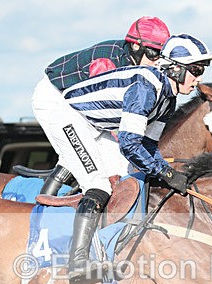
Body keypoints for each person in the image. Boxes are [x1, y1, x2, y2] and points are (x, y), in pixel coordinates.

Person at [38, 34, 212, 283]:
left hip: (96, 125)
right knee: (98, 184)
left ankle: (108, 246)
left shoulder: (169, 99)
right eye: (195, 70)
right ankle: (77, 262)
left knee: (126, 177)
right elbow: (130, 144)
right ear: (175, 68)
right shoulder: (146, 89)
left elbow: (148, 145)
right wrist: (166, 174)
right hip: (68, 118)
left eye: (202, 70)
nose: (199, 78)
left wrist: (168, 171)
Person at [31, 16, 171, 196]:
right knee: (74, 158)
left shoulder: (136, 61)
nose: (158, 61)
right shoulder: (108, 62)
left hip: (76, 103)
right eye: (154, 53)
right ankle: (42, 210)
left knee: (121, 165)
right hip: (53, 97)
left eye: (162, 54)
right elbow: (97, 106)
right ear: (136, 46)